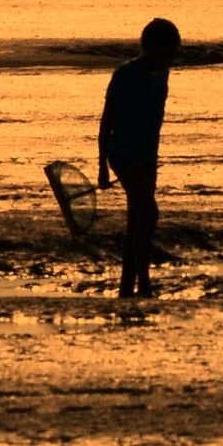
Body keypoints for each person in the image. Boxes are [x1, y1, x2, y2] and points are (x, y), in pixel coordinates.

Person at [98, 17, 181, 299]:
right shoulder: (125, 75)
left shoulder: (163, 75)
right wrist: (102, 167)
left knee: (137, 221)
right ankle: (144, 285)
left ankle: (126, 288)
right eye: (166, 53)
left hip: (147, 156)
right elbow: (106, 121)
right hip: (122, 154)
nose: (169, 60)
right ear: (150, 49)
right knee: (149, 212)